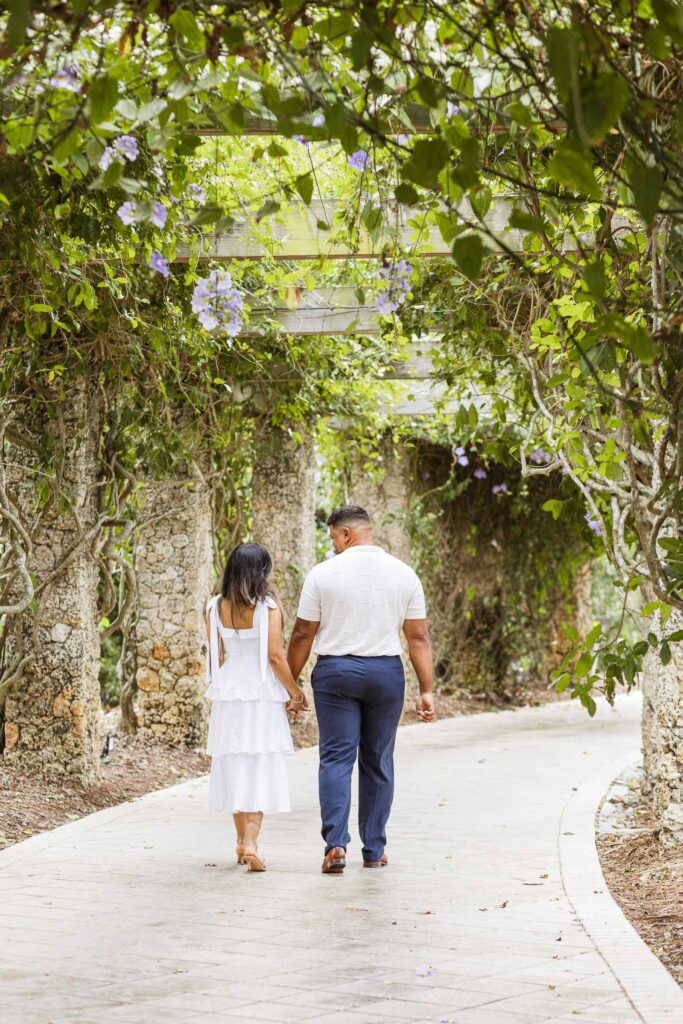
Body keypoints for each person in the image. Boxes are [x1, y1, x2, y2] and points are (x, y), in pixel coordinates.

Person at [287, 504, 434, 874]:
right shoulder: (404, 574)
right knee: (378, 760)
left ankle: (336, 845)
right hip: (386, 673)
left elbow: (303, 633)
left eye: (334, 536)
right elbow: (418, 637)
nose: (333, 543)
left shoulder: (322, 574)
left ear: (346, 534)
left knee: (336, 757)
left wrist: (290, 684)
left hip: (336, 673)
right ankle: (375, 849)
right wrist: (427, 689)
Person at [205, 542, 306, 872]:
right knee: (258, 763)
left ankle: (239, 842)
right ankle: (251, 843)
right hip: (260, 691)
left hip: (228, 690)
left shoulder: (214, 606)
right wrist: (295, 692)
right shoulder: (268, 607)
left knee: (235, 762)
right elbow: (274, 656)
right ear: (262, 571)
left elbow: (216, 656)